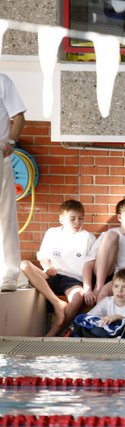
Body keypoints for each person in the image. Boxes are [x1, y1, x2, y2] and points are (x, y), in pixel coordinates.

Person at [20, 200, 96, 336]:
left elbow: (90, 265)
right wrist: (47, 267)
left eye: (80, 218)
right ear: (61, 219)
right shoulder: (52, 233)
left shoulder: (88, 238)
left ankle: (52, 335)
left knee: (78, 296)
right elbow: (43, 255)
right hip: (52, 274)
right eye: (72, 219)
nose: (77, 222)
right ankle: (57, 304)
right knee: (24, 264)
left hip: (73, 280)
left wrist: (87, 287)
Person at [0, 73, 26, 293]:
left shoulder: (3, 81)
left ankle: (9, 272)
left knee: (5, 214)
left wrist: (11, 141)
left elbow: (18, 117)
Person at [73, 269, 125, 337]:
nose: (119, 290)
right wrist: (105, 321)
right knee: (82, 320)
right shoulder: (107, 301)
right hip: (106, 333)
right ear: (112, 288)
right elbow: (91, 316)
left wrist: (118, 317)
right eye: (116, 286)